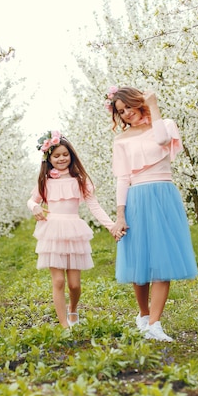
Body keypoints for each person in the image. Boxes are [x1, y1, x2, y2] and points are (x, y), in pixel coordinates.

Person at [106, 86, 198, 342]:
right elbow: (123, 177)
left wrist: (153, 106)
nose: (126, 114)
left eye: (128, 107)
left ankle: (155, 324)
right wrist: (120, 214)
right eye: (121, 112)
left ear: (139, 102)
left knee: (162, 258)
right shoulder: (121, 140)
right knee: (139, 260)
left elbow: (161, 140)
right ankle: (144, 316)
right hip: (136, 196)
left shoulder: (165, 124)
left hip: (163, 194)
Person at [27, 130, 118, 329]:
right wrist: (34, 207)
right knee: (58, 281)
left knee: (74, 284)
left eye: (65, 154)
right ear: (49, 158)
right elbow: (31, 200)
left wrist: (112, 226)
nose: (61, 159)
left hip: (74, 230)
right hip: (52, 231)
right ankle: (63, 325)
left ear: (71, 155)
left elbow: (94, 206)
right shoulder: (45, 181)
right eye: (57, 155)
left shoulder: (80, 180)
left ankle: (73, 308)